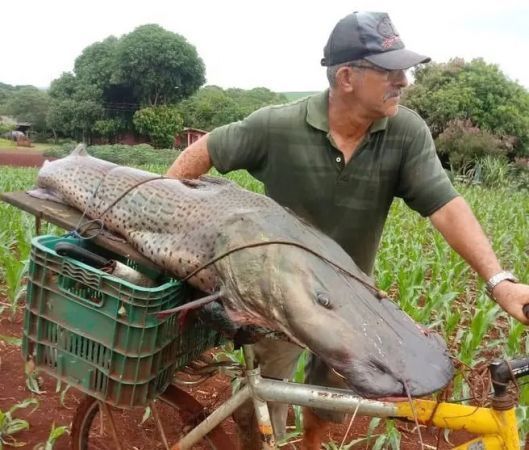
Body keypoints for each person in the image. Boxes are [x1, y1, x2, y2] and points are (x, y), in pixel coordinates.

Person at [167, 11, 529, 449]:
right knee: (265, 396)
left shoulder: (405, 133)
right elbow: (204, 150)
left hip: (352, 303)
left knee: (331, 400)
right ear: (347, 77)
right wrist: (170, 211)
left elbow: (446, 206)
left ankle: (311, 444)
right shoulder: (277, 125)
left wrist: (499, 281)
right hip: (277, 298)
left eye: (405, 70)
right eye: (391, 70)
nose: (405, 81)